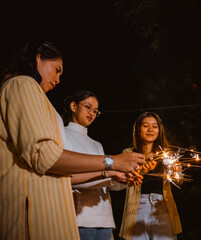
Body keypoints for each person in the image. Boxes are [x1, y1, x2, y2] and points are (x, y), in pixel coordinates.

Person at [0, 40, 145, 240]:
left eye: (96, 110)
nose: (58, 79)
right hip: (30, 214)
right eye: (57, 70)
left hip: (53, 217)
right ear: (38, 58)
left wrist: (113, 173)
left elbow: (63, 172)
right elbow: (44, 155)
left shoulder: (41, 100)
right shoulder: (22, 84)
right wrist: (113, 161)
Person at [62, 90, 142, 240]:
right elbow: (68, 178)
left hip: (104, 219)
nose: (92, 113)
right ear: (73, 106)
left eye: (95, 111)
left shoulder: (97, 144)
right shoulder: (63, 135)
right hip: (80, 217)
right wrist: (109, 173)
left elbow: (105, 186)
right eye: (88, 107)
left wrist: (123, 179)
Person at [118, 112, 182, 240]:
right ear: (138, 129)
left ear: (159, 130)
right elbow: (121, 180)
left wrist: (177, 172)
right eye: (145, 126)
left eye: (155, 126)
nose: (150, 129)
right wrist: (142, 171)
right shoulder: (128, 153)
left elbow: (178, 182)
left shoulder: (166, 155)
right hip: (137, 207)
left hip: (163, 207)